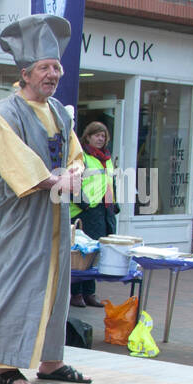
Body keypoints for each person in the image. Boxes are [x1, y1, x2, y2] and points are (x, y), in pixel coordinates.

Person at [0, 13, 88, 384]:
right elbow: (16, 164)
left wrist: (75, 173)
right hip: (17, 222)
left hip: (53, 218)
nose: (53, 74)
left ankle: (50, 361)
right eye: (45, 67)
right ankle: (6, 364)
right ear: (25, 73)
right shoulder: (3, 114)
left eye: (57, 67)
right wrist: (58, 179)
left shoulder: (60, 113)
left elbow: (76, 156)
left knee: (55, 287)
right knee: (14, 285)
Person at [70, 121, 115, 307]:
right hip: (84, 211)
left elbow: (109, 182)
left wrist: (114, 205)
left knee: (95, 252)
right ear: (87, 136)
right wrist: (85, 205)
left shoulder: (106, 158)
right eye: (96, 135)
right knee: (81, 253)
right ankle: (76, 294)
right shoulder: (82, 156)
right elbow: (72, 182)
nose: (100, 138)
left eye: (103, 136)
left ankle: (90, 293)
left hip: (102, 212)